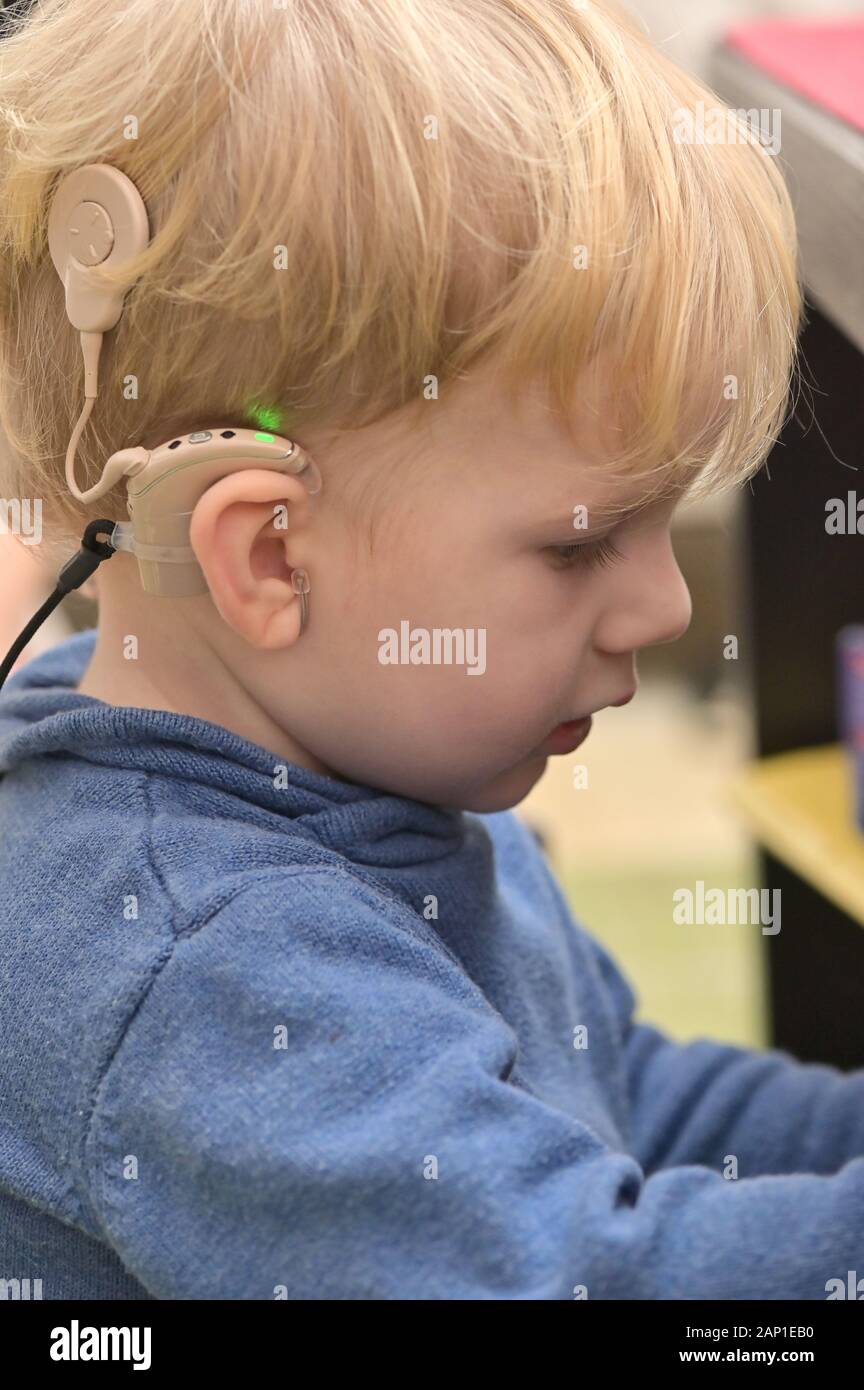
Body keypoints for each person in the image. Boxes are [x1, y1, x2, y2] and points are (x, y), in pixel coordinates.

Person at [1, 0, 861, 1301]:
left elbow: (617, 1094)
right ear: (271, 558)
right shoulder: (214, 971)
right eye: (581, 544)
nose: (668, 609)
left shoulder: (359, 764)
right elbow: (579, 1281)